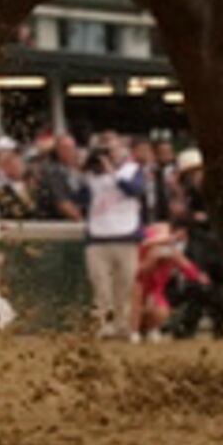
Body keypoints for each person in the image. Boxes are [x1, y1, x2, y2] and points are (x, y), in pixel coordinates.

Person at [79, 131, 146, 339]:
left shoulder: (131, 170)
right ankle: (104, 326)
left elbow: (135, 190)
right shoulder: (91, 177)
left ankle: (124, 326)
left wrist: (113, 173)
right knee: (101, 287)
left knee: (125, 286)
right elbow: (80, 198)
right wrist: (89, 165)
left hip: (125, 235)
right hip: (98, 237)